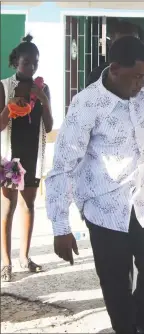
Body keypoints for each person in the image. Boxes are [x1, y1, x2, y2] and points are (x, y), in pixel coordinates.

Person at [45, 36, 144, 334]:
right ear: (115, 69)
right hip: (104, 204)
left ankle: (141, 315)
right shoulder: (86, 104)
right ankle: (127, 326)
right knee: (116, 280)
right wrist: (60, 228)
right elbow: (63, 166)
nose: (142, 84)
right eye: (136, 77)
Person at [0, 34, 54, 282]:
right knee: (8, 208)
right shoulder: (3, 86)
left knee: (29, 206)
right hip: (10, 157)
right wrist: (9, 107)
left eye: (35, 63)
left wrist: (43, 100)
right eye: (26, 63)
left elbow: (50, 126)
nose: (30, 68)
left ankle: (24, 257)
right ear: (15, 63)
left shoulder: (42, 88)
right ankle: (6, 262)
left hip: (33, 155)